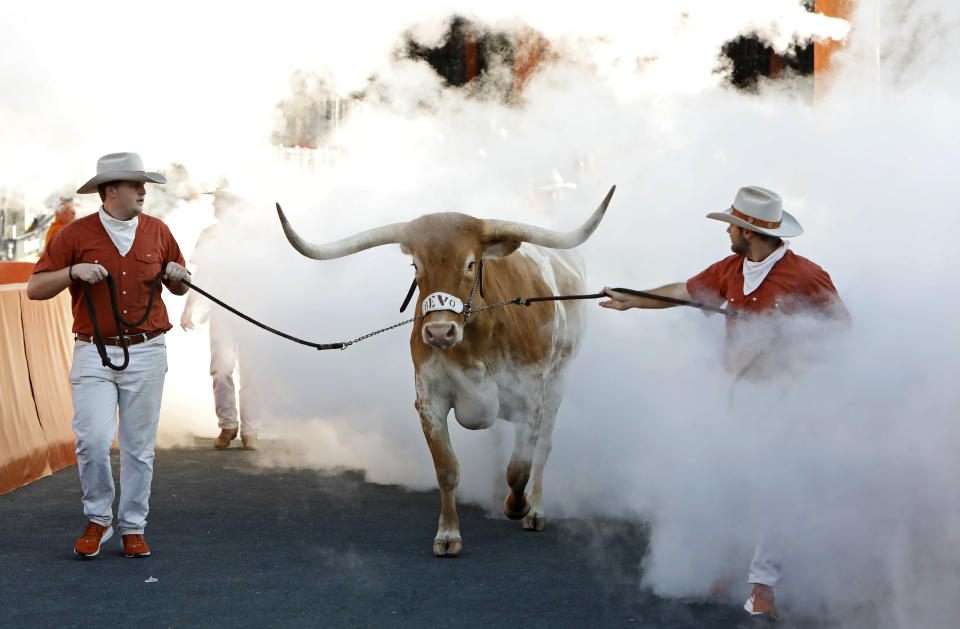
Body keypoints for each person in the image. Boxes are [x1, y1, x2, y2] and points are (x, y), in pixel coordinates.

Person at [599, 185, 849, 621]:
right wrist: (633, 299)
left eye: (732, 224)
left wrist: (792, 335)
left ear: (750, 232)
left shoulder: (807, 275)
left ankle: (761, 585)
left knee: (776, 490)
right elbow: (684, 290)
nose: (727, 230)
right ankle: (734, 567)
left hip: (787, 401)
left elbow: (842, 330)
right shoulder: (730, 268)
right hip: (737, 398)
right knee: (734, 483)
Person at [27, 152, 190, 560]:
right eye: (136, 185)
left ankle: (132, 526)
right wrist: (72, 273)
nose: (143, 191)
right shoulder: (74, 235)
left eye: (144, 185)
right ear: (110, 190)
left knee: (139, 448)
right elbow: (35, 288)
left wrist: (179, 278)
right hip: (93, 351)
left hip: (148, 350)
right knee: (93, 442)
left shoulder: (159, 231)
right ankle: (98, 518)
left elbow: (182, 287)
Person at [180, 187, 260, 450]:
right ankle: (228, 424)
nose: (214, 206)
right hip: (222, 310)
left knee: (252, 371)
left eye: (218, 202)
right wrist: (188, 308)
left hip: (252, 312)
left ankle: (251, 430)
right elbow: (200, 275)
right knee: (221, 368)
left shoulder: (254, 236)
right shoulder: (208, 235)